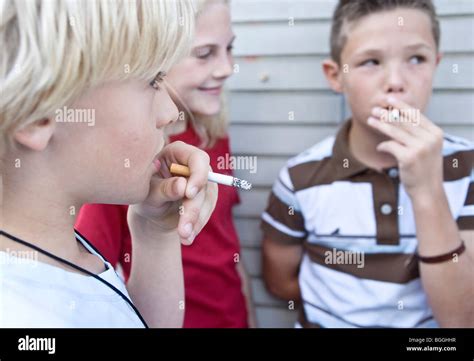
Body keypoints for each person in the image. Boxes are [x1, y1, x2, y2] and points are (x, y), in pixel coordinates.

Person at [0, 0, 218, 328]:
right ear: (38, 115)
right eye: (153, 82)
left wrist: (154, 231)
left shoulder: (62, 252)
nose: (170, 112)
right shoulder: (20, 314)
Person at [261, 0, 473, 328]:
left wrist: (427, 190)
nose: (396, 82)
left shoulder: (467, 169)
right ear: (335, 76)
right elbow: (281, 281)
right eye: (371, 61)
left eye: (417, 59)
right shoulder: (301, 177)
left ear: (436, 64)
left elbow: (462, 320)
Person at [76, 0, 256, 328]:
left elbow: (228, 248)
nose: (227, 68)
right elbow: (88, 287)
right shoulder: (123, 166)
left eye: (229, 49)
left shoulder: (211, 135)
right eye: (204, 54)